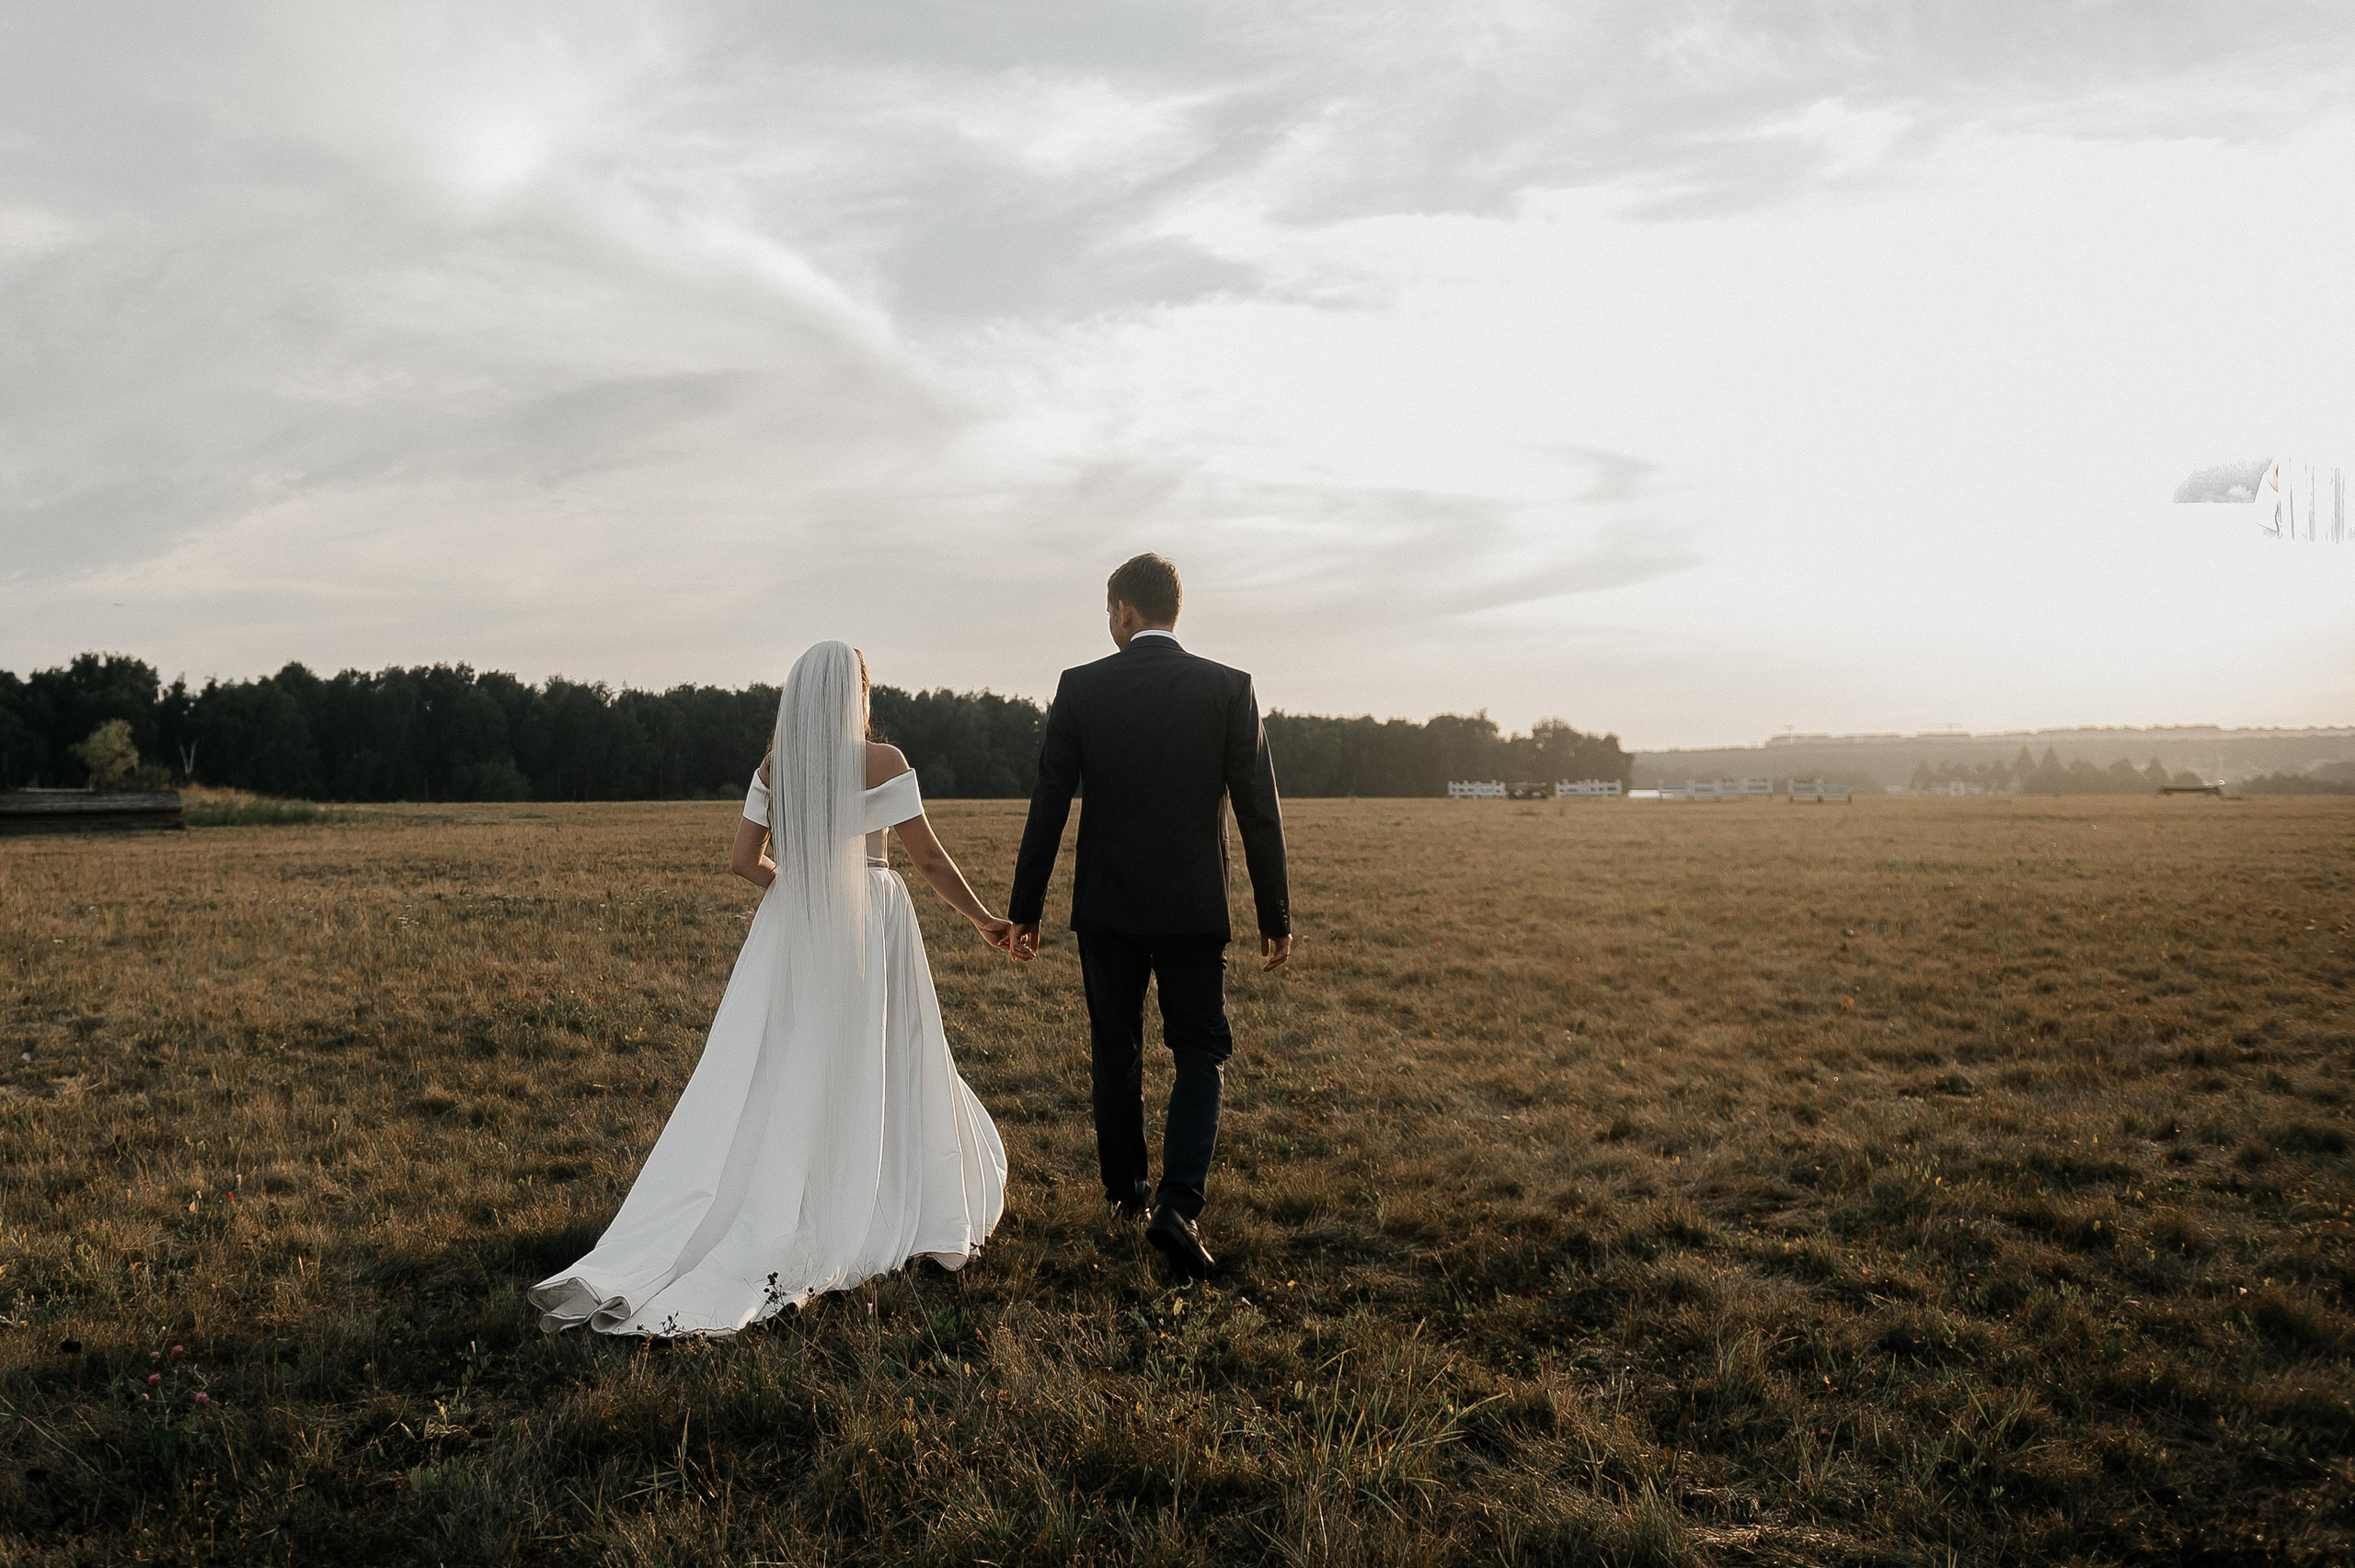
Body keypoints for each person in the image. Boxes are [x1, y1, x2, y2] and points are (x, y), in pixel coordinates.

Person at [528, 641, 1010, 1336]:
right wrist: (984, 919)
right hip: (872, 922)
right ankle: (867, 1185)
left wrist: (806, 889)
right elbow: (928, 857)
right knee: (876, 1051)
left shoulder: (777, 767)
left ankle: (780, 1185)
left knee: (790, 1058)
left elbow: (741, 860)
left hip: (798, 922)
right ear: (857, 695)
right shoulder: (885, 761)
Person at [1006, 553, 1291, 1280]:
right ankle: (1179, 1202)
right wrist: (1274, 911)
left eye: (1110, 611)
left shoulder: (1081, 688)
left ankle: (1127, 1191)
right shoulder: (1229, 688)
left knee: (1117, 1048)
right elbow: (1259, 807)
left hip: (1107, 906)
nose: (1110, 624)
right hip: (1195, 906)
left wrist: (1025, 909)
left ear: (1125, 612)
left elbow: (1049, 804)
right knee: (1201, 1048)